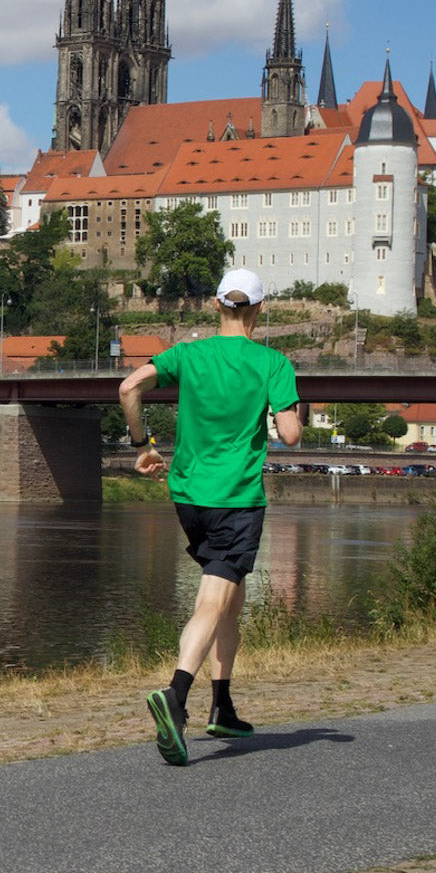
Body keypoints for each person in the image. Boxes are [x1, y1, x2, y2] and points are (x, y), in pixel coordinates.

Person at [119, 268, 301, 766]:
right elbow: (290, 435)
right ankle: (176, 696)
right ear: (260, 310)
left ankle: (222, 705)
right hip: (236, 500)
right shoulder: (272, 363)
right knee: (211, 600)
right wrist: (289, 411)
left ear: (217, 306)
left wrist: (142, 445)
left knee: (230, 600)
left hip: (189, 497)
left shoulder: (187, 354)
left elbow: (128, 387)